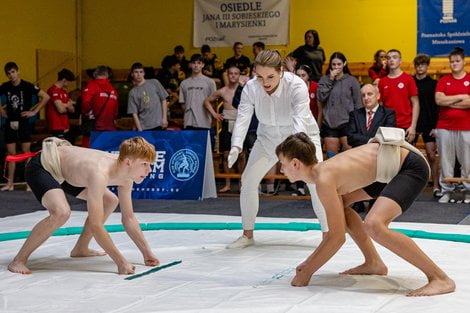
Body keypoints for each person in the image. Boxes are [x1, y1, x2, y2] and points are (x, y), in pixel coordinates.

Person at [276, 131, 455, 296]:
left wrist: (307, 270)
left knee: (374, 225)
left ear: (295, 163)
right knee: (343, 208)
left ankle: (440, 278)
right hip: (386, 168)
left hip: (409, 166)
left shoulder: (324, 179)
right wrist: (308, 264)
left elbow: (336, 238)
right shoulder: (323, 175)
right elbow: (336, 233)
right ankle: (373, 262)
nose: (281, 170)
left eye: (282, 164)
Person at [8, 136, 160, 275]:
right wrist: (121, 262)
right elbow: (96, 224)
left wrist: (147, 252)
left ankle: (81, 248)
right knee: (61, 212)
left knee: (110, 201)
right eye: (144, 164)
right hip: (42, 165)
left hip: (67, 172)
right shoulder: (99, 173)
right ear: (128, 162)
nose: (149, 170)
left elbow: (129, 218)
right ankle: (19, 260)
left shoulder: (127, 176)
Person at [226, 50, 326, 249]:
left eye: (270, 76)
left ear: (281, 71)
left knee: (318, 183)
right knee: (248, 180)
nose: (265, 82)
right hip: (267, 138)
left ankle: (328, 235)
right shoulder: (251, 88)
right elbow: (243, 117)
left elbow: (300, 121)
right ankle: (247, 235)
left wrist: (296, 155)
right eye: (260, 76)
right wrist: (236, 145)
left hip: (302, 136)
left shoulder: (296, 85)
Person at [0, 62, 50, 191]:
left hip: (23, 121)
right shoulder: (6, 86)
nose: (12, 75)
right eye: (9, 73)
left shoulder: (27, 86)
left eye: (13, 72)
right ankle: (10, 183)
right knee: (11, 153)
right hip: (10, 121)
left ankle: (29, 183)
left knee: (26, 153)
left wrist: (34, 111)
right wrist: (1, 110)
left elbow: (45, 97)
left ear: (18, 71)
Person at [434, 47, 470, 204]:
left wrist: (449, 101)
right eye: (451, 62)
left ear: (463, 62)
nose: (454, 64)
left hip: (466, 126)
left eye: (457, 61)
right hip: (445, 127)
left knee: (468, 162)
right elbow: (439, 101)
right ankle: (446, 191)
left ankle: (467, 191)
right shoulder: (443, 81)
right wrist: (461, 97)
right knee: (446, 161)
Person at [204, 65, 245, 193]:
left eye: (236, 74)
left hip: (240, 123)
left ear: (239, 75)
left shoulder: (245, 90)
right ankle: (227, 184)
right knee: (227, 154)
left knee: (241, 154)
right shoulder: (222, 91)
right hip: (226, 122)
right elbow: (207, 101)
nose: (233, 76)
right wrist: (215, 114)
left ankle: (241, 184)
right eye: (231, 73)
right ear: (227, 75)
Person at [317, 52, 362, 158]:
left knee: (350, 157)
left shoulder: (351, 80)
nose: (336, 67)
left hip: (347, 123)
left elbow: (358, 103)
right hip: (329, 124)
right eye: (334, 64)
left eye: (339, 64)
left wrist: (357, 124)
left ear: (344, 64)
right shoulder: (324, 79)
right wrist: (330, 80)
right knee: (332, 158)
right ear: (330, 65)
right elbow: (321, 97)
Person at [413, 54, 442, 198]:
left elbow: (436, 107)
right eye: (418, 65)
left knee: (431, 155)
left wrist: (435, 125)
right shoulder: (410, 82)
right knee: (407, 156)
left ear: (427, 66)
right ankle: (408, 188)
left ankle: (436, 185)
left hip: (428, 123)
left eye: (423, 65)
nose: (420, 67)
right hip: (412, 123)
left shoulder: (433, 84)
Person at [378, 49, 419, 143]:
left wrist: (413, 127)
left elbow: (416, 103)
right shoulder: (382, 82)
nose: (391, 60)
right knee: (389, 157)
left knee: (405, 157)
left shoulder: (408, 79)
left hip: (406, 126)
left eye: (394, 57)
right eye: (389, 58)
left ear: (400, 61)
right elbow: (380, 106)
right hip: (388, 126)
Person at [81, 65, 118, 147]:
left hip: (94, 128)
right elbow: (115, 111)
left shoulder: (92, 85)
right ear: (107, 75)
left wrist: (87, 114)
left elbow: (86, 102)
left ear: (95, 74)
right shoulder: (113, 90)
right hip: (110, 128)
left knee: (89, 155)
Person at [179, 54, 217, 130]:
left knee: (202, 142)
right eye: (194, 63)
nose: (196, 65)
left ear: (203, 65)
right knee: (189, 142)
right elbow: (183, 104)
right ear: (190, 65)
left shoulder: (210, 82)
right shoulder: (184, 83)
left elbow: (213, 102)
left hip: (204, 121)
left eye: (199, 63)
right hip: (188, 121)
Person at [128, 62, 169, 131]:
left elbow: (163, 99)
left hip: (159, 123)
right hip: (144, 126)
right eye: (136, 72)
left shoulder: (154, 82)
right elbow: (134, 113)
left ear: (144, 73)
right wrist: (140, 129)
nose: (139, 74)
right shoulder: (132, 92)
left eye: (141, 72)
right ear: (132, 74)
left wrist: (164, 118)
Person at [46, 68, 76, 141]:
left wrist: (64, 104)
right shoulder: (53, 90)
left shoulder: (64, 92)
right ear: (64, 80)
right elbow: (61, 109)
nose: (69, 84)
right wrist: (67, 105)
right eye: (69, 82)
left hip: (65, 124)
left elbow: (72, 110)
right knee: (60, 148)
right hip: (56, 125)